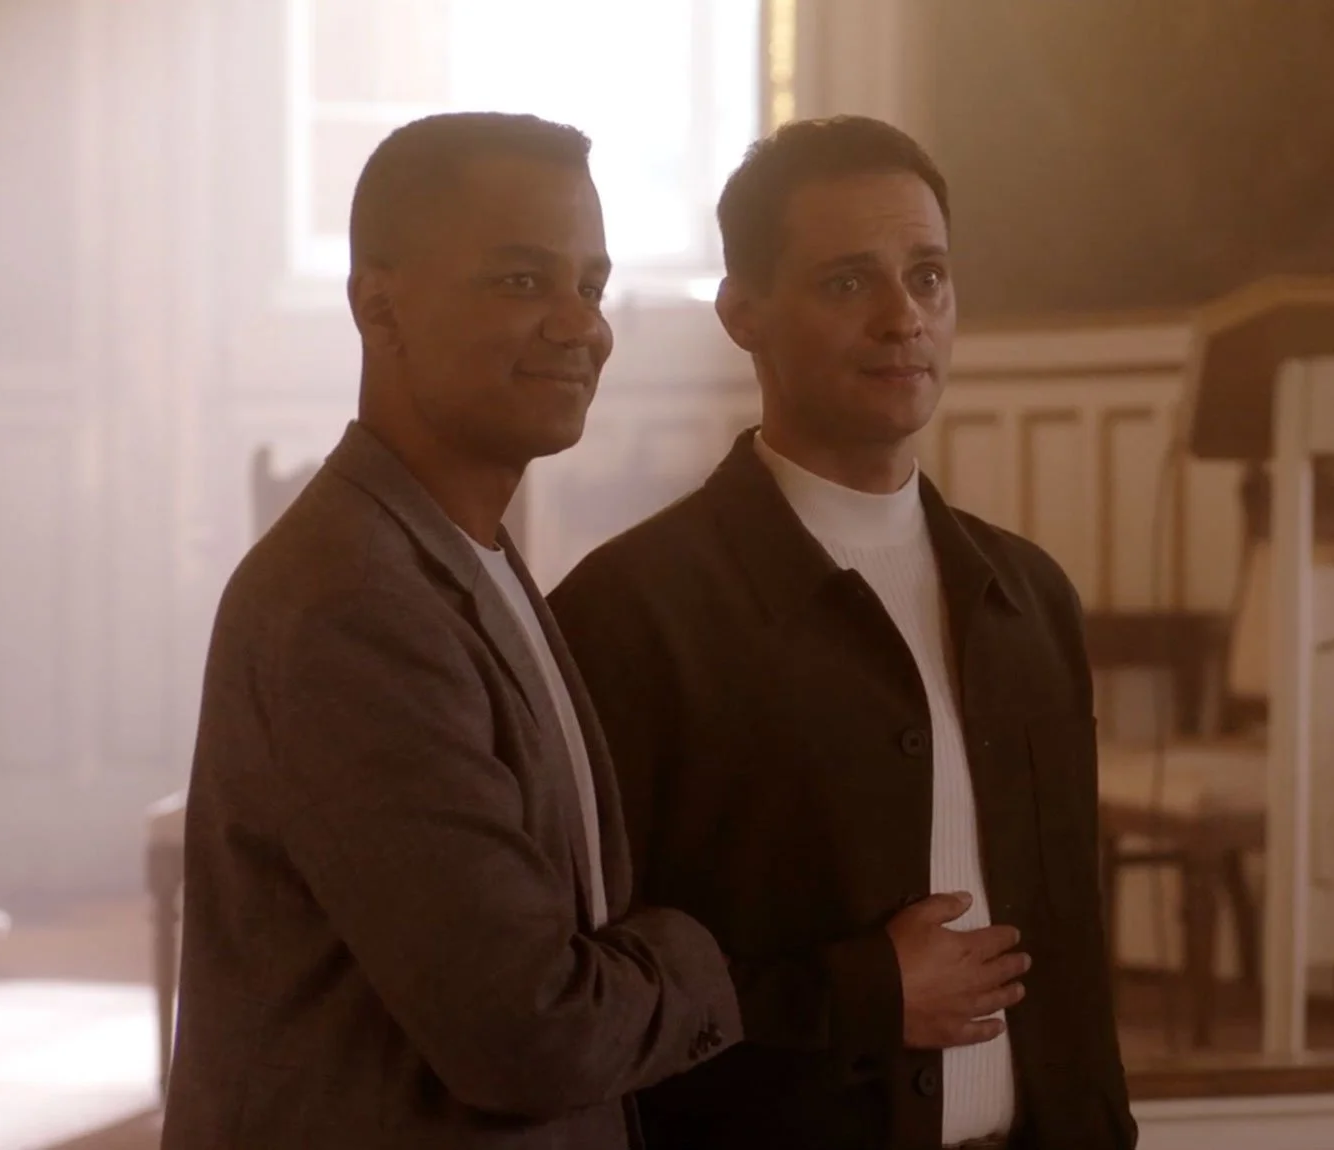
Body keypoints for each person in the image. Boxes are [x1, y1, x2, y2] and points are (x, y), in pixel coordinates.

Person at [548, 116, 1134, 1150]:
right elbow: (587, 987)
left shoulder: (1028, 595)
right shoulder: (631, 613)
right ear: (745, 312)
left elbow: (1072, 967)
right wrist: (858, 991)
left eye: (929, 277)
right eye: (847, 282)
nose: (903, 318)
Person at [163, 112, 738, 1150]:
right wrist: (709, 956)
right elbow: (527, 1030)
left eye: (592, 285)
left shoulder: (464, 551)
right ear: (378, 308)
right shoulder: (355, 601)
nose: (580, 324)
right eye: (522, 282)